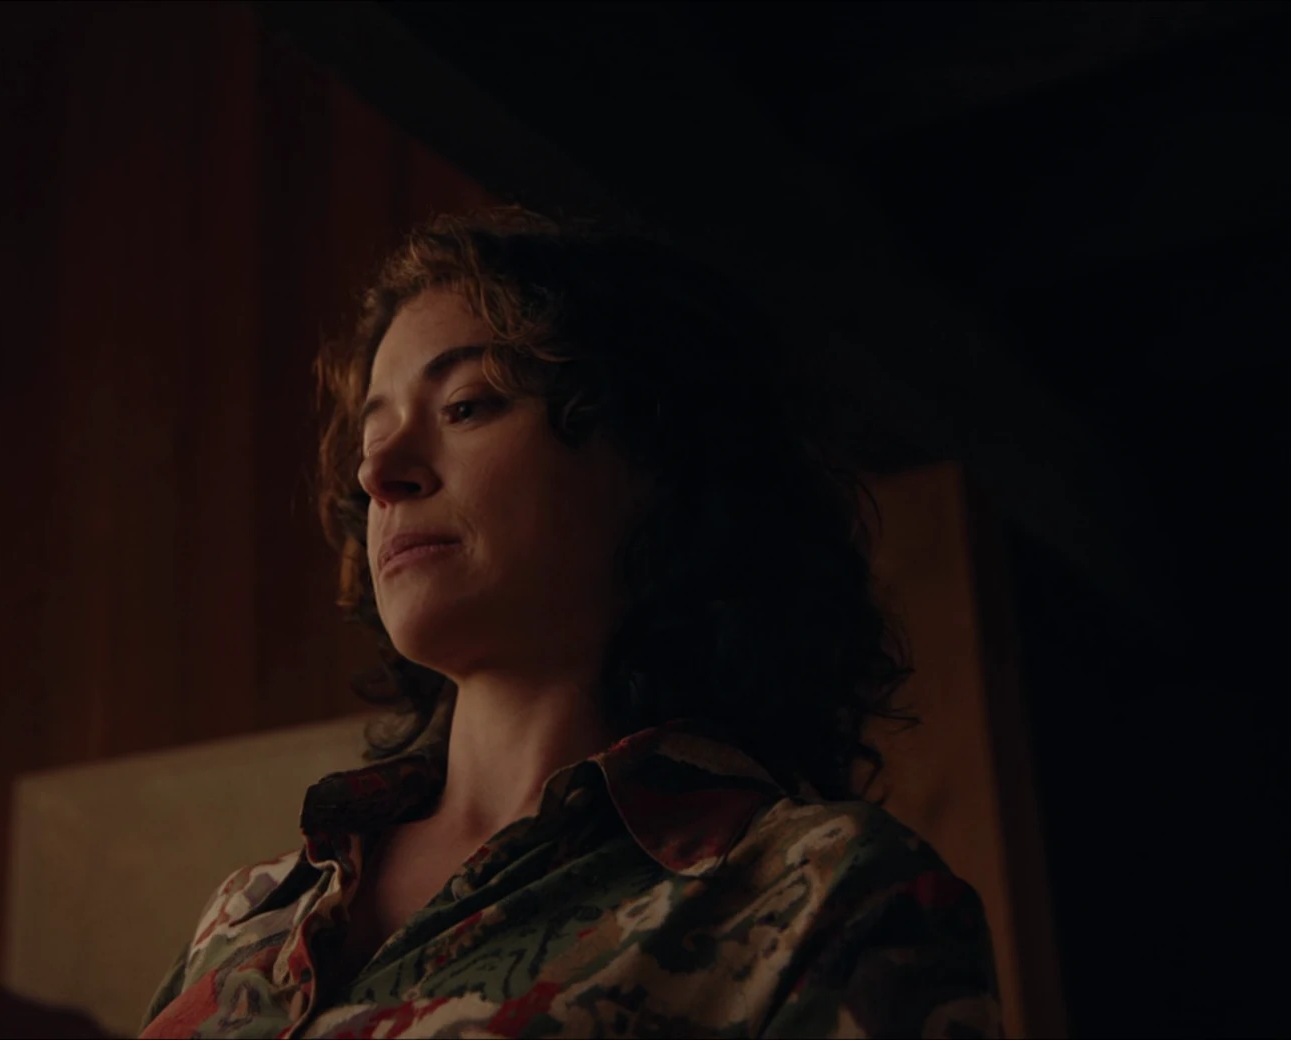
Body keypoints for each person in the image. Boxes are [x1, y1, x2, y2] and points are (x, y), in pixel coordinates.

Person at [140, 209, 1001, 1038]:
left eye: (467, 404)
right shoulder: (248, 915)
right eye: (372, 437)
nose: (381, 473)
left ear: (653, 455)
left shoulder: (824, 897)